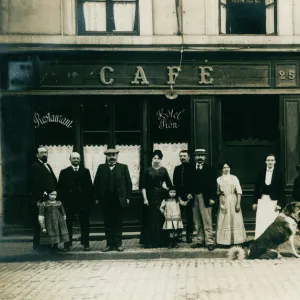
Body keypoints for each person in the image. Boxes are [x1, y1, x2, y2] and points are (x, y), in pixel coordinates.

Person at [94, 148, 132, 252]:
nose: (111, 157)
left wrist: (128, 197)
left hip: (118, 200)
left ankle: (118, 244)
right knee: (108, 223)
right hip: (105, 200)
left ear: (117, 156)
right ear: (106, 156)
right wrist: (97, 197)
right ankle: (109, 244)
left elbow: (129, 183)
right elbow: (96, 183)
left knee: (118, 222)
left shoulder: (123, 167)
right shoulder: (101, 167)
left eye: (113, 155)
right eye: (109, 155)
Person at [58, 152, 93, 251]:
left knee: (85, 224)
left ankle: (86, 244)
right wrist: (63, 201)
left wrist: (89, 201)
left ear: (80, 160)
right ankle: (67, 245)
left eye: (78, 158)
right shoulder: (64, 172)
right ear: (70, 159)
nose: (76, 160)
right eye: (74, 158)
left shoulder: (85, 171)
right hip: (69, 203)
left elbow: (90, 187)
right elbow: (60, 188)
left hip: (83, 203)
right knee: (68, 224)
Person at [139, 149, 172, 248]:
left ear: (161, 159)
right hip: (149, 196)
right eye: (155, 158)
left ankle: (161, 242)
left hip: (161, 196)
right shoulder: (147, 170)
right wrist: (145, 199)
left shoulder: (163, 170)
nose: (156, 160)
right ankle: (150, 242)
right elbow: (143, 186)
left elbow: (170, 184)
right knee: (150, 219)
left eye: (158, 158)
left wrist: (166, 195)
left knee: (160, 218)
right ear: (152, 159)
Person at [29, 146, 58, 251]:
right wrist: (41, 197)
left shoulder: (48, 165)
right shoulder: (35, 166)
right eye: (41, 153)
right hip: (41, 200)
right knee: (40, 224)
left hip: (50, 199)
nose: (44, 154)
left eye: (46, 152)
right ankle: (38, 247)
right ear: (37, 155)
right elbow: (35, 185)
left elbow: (52, 181)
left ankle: (48, 246)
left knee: (48, 223)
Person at [253, 154, 285, 239]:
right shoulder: (261, 173)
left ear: (274, 162)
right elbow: (256, 188)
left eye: (272, 160)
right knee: (261, 221)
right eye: (268, 160)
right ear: (266, 162)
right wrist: (254, 202)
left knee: (272, 221)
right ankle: (260, 241)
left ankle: (272, 242)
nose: (270, 162)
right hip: (262, 199)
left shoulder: (279, 174)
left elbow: (281, 190)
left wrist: (279, 204)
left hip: (273, 201)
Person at [190, 149, 217, 251]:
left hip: (205, 197)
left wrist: (212, 198)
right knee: (196, 220)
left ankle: (210, 241)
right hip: (194, 197)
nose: (200, 157)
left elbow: (214, 185)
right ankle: (200, 240)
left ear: (205, 157)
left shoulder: (210, 169)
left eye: (202, 155)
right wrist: (188, 193)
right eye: (197, 156)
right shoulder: (191, 168)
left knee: (207, 220)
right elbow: (188, 183)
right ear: (195, 157)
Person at [216, 162, 247, 246]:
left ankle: (236, 241)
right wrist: (219, 193)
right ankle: (224, 241)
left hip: (233, 199)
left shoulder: (234, 178)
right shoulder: (218, 179)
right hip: (223, 200)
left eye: (228, 167)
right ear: (221, 169)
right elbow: (217, 192)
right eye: (224, 167)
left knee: (234, 219)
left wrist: (238, 204)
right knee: (224, 219)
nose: (226, 169)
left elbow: (239, 191)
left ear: (230, 168)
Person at [173, 150, 194, 243]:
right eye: (181, 156)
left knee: (190, 217)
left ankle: (189, 235)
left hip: (190, 196)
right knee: (178, 216)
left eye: (184, 156)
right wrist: (179, 197)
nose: (182, 157)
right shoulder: (177, 168)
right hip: (180, 196)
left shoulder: (193, 167)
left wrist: (190, 194)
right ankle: (179, 234)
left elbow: (194, 183)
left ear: (188, 157)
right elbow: (175, 183)